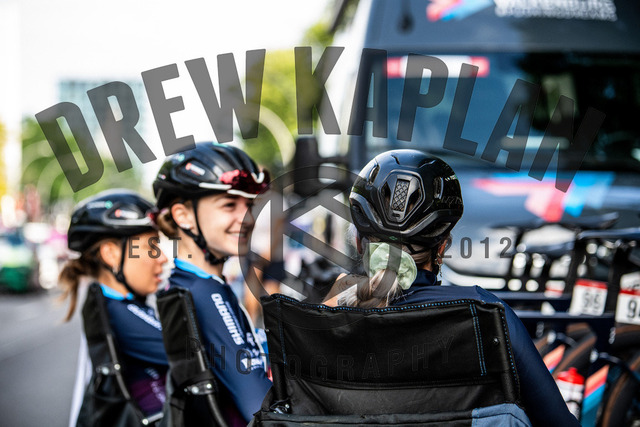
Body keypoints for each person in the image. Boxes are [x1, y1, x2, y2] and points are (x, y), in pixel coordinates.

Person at [324, 149, 579, 426]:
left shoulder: (324, 322)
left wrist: (328, 308)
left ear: (359, 243)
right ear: (442, 248)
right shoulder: (485, 313)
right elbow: (558, 422)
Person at [153, 142, 272, 425]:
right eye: (229, 205)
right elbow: (262, 408)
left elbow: (250, 349)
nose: (246, 218)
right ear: (183, 216)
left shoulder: (195, 282)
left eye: (249, 205)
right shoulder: (205, 293)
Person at [60, 189, 169, 425]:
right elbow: (197, 355)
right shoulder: (118, 313)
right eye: (151, 246)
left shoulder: (114, 304)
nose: (162, 258)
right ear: (110, 254)